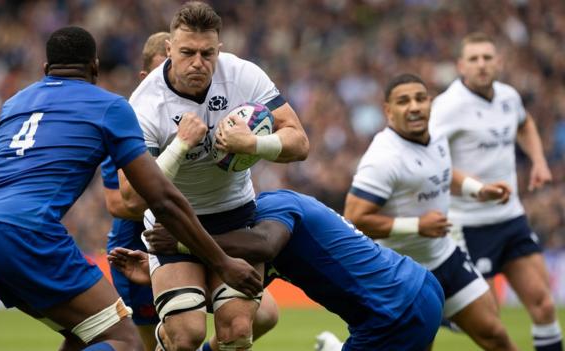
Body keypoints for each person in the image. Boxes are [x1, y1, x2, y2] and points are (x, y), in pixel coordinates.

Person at [0, 26, 262, 351]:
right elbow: (160, 198)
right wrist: (222, 262)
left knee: (84, 332)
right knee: (123, 340)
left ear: (45, 70)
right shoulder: (109, 107)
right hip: (27, 232)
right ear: (95, 67)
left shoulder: (12, 105)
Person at [118, 2, 309, 351]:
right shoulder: (144, 104)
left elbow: (299, 142)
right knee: (185, 336)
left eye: (208, 53)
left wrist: (253, 143)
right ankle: (164, 341)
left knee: (237, 331)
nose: (198, 63)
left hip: (235, 215)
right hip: (172, 224)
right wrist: (178, 147)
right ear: (169, 50)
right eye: (187, 52)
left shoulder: (243, 75)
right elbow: (130, 198)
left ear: (219, 49)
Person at [109, 189, 444, 351]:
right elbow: (238, 288)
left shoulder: (272, 206)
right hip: (414, 288)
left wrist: (183, 243)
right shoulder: (261, 225)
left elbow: (263, 245)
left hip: (392, 313)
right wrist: (160, 272)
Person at [328, 73, 517, 350]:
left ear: (431, 103)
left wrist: (478, 190)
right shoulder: (383, 158)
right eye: (403, 101)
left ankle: (440, 312)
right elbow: (355, 218)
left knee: (495, 334)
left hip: (444, 256)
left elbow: (440, 171)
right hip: (402, 273)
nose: (414, 106)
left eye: (420, 98)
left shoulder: (437, 134)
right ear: (388, 111)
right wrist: (417, 226)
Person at [430, 32, 562, 351]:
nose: (482, 65)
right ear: (461, 66)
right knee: (486, 319)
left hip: (511, 218)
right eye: (474, 59)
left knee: (544, 305)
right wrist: (478, 189)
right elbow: (433, 161)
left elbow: (525, 123)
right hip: (469, 224)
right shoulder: (448, 106)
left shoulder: (508, 97)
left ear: (499, 62)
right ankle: (444, 310)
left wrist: (539, 161)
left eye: (487, 58)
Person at [100, 31, 169, 351]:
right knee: (151, 344)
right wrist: (175, 204)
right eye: (161, 71)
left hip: (186, 242)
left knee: (261, 315)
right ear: (144, 77)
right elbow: (116, 203)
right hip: (135, 248)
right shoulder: (126, 124)